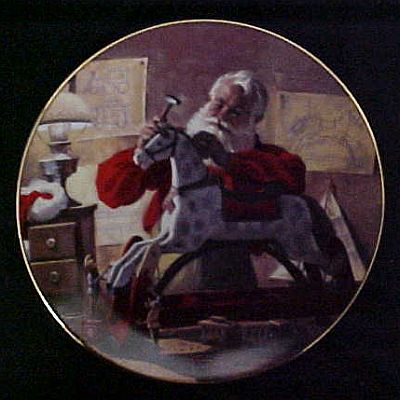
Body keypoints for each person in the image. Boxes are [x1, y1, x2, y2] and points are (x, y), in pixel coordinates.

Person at [96, 70, 306, 290]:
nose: (222, 116)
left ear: (256, 120)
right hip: (169, 267)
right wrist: (141, 150)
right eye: (218, 104)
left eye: (236, 112)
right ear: (208, 102)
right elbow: (112, 194)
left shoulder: (261, 157)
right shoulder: (175, 147)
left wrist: (227, 161)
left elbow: (293, 177)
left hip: (229, 272)